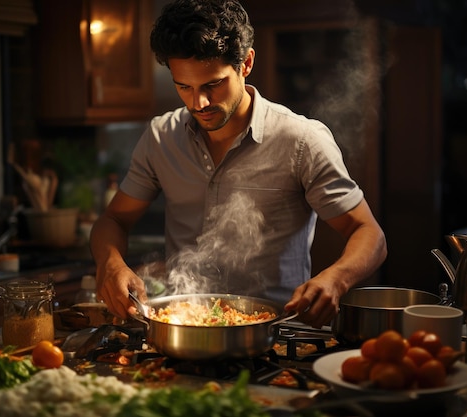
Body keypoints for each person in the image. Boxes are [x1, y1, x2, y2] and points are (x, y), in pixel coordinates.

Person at [90, 0, 387, 328]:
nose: (198, 102)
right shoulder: (161, 137)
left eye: (212, 85)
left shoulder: (301, 140)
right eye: (183, 87)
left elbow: (369, 233)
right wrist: (111, 263)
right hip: (182, 330)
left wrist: (336, 279)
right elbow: (114, 219)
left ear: (246, 63)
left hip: (278, 332)